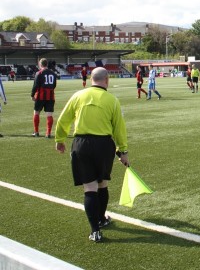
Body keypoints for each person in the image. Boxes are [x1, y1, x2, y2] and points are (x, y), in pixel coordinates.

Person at [54, 67, 129, 243]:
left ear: (90, 79)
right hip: (104, 145)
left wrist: (60, 139)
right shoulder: (112, 100)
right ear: (107, 80)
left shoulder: (78, 96)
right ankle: (102, 219)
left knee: (89, 188)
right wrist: (123, 151)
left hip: (82, 145)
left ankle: (95, 230)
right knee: (102, 184)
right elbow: (119, 128)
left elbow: (63, 119)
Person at [31, 58, 57, 138]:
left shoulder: (39, 73)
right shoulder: (53, 73)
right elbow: (54, 85)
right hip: (51, 96)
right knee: (49, 114)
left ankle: (36, 132)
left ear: (40, 64)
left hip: (40, 96)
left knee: (36, 113)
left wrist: (32, 95)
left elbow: (35, 85)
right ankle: (48, 133)